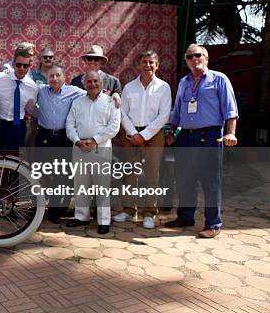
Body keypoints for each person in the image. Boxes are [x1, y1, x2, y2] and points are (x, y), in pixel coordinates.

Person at [164, 44, 238, 239]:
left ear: (206, 58)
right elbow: (178, 110)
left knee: (210, 181)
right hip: (185, 136)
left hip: (210, 135)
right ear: (186, 61)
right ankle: (185, 217)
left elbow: (230, 110)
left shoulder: (219, 79)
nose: (194, 58)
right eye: (189, 56)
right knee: (184, 178)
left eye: (198, 55)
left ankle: (213, 223)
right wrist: (172, 130)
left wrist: (230, 133)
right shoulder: (183, 82)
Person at [113, 51, 171, 229]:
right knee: (129, 173)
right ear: (137, 65)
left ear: (157, 65)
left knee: (151, 174)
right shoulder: (129, 87)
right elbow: (122, 113)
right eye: (144, 62)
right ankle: (129, 210)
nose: (147, 65)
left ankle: (148, 213)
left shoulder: (164, 87)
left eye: (151, 62)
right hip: (130, 134)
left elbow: (164, 115)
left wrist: (144, 135)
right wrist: (133, 133)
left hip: (154, 135)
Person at [65, 70, 120, 235]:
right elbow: (69, 124)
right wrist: (77, 140)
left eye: (96, 81)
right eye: (89, 81)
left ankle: (104, 220)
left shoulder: (111, 101)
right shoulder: (77, 102)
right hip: (80, 147)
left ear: (101, 83)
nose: (93, 84)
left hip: (100, 148)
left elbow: (114, 126)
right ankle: (81, 216)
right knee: (80, 184)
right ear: (84, 84)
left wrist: (95, 140)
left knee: (102, 186)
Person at [34, 65, 86, 223]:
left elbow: (94, 93)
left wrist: (116, 95)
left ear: (64, 77)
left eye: (58, 75)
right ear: (47, 78)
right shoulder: (40, 90)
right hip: (44, 136)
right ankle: (42, 205)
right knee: (43, 172)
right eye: (51, 76)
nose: (55, 79)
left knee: (62, 174)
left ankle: (57, 209)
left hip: (64, 137)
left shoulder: (74, 91)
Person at [0, 46, 37, 151]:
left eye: (25, 66)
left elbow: (31, 107)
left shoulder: (32, 86)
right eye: (18, 64)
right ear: (13, 63)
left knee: (14, 158)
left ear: (30, 66)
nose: (21, 68)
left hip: (18, 126)